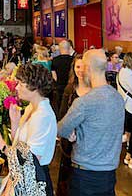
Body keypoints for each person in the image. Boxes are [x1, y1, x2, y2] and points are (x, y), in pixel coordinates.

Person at [58, 49, 125, 196]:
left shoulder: (84, 103)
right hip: (109, 173)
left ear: (88, 68)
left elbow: (61, 129)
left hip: (84, 174)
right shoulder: (118, 98)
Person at [0, 63, 57, 196]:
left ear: (34, 88)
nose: (17, 87)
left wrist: (1, 145)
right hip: (19, 178)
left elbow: (30, 161)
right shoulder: (31, 107)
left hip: (33, 183)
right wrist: (15, 123)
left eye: (20, 84)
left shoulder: (43, 116)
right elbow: (19, 146)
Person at [56, 55, 91, 196]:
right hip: (69, 142)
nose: (80, 70)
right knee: (67, 177)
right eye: (77, 67)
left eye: (84, 67)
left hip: (88, 141)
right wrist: (67, 132)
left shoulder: (95, 91)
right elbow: (62, 114)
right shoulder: (70, 89)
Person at [51, 40, 74, 113]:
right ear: (69, 48)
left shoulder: (55, 60)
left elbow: (54, 77)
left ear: (60, 49)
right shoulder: (73, 60)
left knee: (60, 108)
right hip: (71, 87)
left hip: (59, 87)